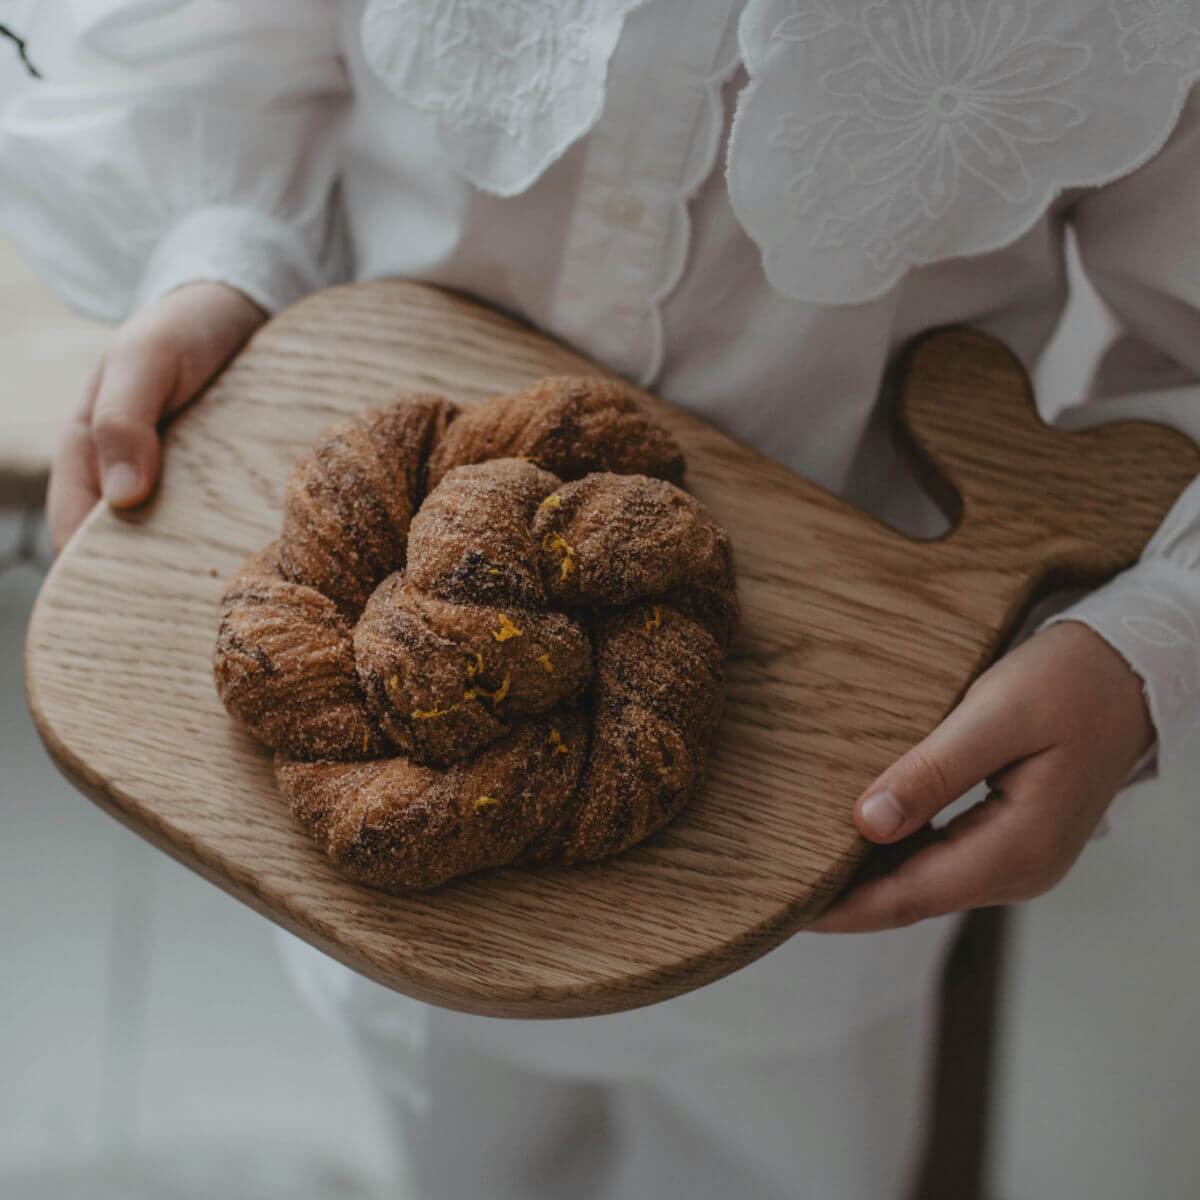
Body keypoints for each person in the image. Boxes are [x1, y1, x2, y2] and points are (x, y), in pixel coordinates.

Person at [3, 2, 1198, 1195]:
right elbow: (252, 48)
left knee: (785, 1147)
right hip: (378, 662)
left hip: (828, 791)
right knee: (456, 1139)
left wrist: (1149, 641)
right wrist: (230, 255)